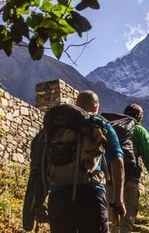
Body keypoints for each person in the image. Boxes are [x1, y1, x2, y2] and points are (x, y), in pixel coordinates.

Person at [47, 90, 126, 233]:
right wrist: (118, 201)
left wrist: (37, 203)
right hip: (91, 194)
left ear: (76, 105)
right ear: (96, 107)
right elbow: (117, 161)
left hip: (58, 197)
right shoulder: (98, 124)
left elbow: (38, 164)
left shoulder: (55, 128)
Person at [107, 103, 149, 233]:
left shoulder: (112, 128)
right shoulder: (139, 131)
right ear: (140, 117)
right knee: (126, 223)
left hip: (109, 181)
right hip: (129, 182)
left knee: (112, 224)